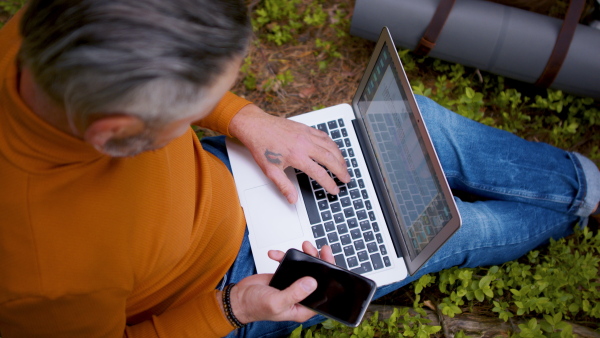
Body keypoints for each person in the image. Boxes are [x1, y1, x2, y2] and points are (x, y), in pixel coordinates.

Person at [0, 0, 598, 337]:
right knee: (445, 229)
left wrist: (244, 118)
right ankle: (584, 205)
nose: (208, 109)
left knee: (415, 122)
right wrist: (233, 308)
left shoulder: (49, 29)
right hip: (226, 287)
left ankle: (586, 186)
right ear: (118, 134)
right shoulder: (47, 275)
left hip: (221, 180)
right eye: (191, 110)